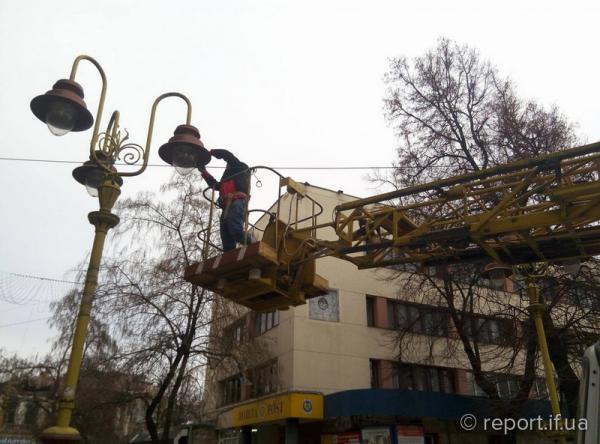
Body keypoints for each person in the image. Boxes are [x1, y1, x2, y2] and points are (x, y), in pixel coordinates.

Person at [198, 149, 253, 251]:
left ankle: (252, 241)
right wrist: (204, 172)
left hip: (238, 201)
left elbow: (227, 155)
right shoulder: (226, 177)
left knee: (236, 230)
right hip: (226, 206)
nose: (226, 166)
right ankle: (229, 252)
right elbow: (216, 185)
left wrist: (211, 152)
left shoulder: (238, 166)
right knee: (225, 234)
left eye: (227, 164)